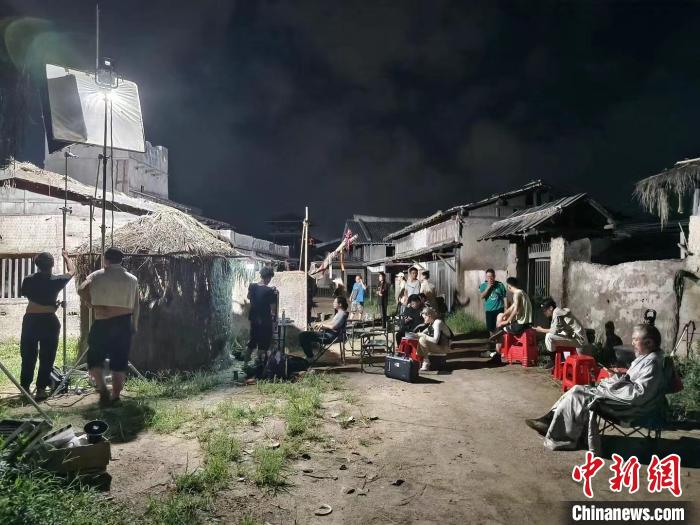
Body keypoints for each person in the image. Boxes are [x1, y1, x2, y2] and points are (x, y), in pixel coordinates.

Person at [525, 324, 666, 453]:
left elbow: (638, 394)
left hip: (629, 408)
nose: (633, 343)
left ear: (649, 343)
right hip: (623, 398)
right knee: (578, 390)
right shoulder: (647, 358)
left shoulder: (652, 363)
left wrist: (617, 381)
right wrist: (619, 376)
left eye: (635, 340)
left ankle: (560, 434)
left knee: (578, 393)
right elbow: (634, 382)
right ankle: (550, 420)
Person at [78, 248, 139, 407]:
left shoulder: (97, 275)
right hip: (124, 322)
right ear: (121, 260)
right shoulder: (132, 279)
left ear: (106, 260)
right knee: (119, 361)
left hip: (103, 322)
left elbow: (81, 288)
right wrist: (134, 325)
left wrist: (91, 303)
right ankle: (116, 396)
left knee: (94, 359)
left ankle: (103, 388)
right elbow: (136, 304)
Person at [19, 250, 75, 400]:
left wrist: (49, 304)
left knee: (28, 355)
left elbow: (33, 298)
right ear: (52, 264)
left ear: (37, 265)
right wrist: (66, 257)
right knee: (47, 357)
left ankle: (25, 388)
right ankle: (41, 390)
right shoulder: (57, 280)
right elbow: (72, 271)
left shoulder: (28, 280)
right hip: (49, 321)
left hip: (31, 320)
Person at [246, 267, 278, 373]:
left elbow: (248, 297)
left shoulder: (252, 286)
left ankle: (245, 364)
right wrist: (273, 320)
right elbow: (273, 309)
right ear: (268, 278)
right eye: (270, 278)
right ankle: (260, 367)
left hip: (254, 319)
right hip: (265, 320)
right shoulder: (270, 291)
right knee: (263, 344)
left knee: (252, 341)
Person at [492, 277, 533, 358]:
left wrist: (507, 321)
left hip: (520, 325)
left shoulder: (517, 294)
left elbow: (516, 310)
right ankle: (497, 338)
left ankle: (497, 354)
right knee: (500, 316)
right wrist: (504, 315)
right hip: (526, 324)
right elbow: (512, 308)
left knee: (500, 332)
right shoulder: (522, 292)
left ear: (509, 286)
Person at [417, 306, 453, 372]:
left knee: (422, 339)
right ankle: (418, 361)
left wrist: (423, 335)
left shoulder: (437, 323)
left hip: (444, 347)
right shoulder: (432, 323)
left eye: (425, 318)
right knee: (419, 340)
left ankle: (426, 362)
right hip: (439, 346)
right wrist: (416, 335)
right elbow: (422, 333)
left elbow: (435, 340)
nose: (424, 320)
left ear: (429, 316)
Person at [478, 269, 507, 337]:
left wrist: (506, 309)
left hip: (499, 309)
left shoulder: (500, 285)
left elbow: (505, 297)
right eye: (488, 277)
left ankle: (499, 341)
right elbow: (482, 296)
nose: (490, 278)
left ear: (494, 276)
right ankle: (492, 340)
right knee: (490, 328)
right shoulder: (483, 285)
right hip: (489, 310)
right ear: (486, 277)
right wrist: (488, 287)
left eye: (492, 276)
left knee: (499, 326)